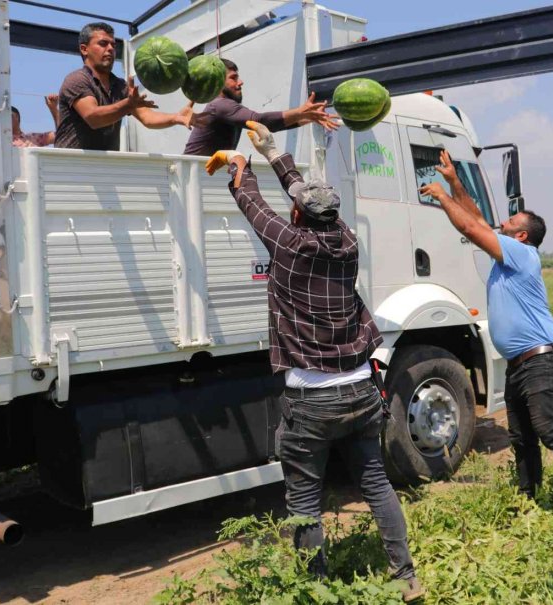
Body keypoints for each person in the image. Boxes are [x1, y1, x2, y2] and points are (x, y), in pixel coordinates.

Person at [204, 122, 424, 602]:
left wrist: (242, 164)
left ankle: (316, 589)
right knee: (375, 483)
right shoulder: (347, 242)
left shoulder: (289, 244)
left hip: (311, 398)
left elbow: (251, 203)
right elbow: (304, 200)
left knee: (304, 499)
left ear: (298, 216)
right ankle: (405, 577)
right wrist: (274, 153)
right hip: (362, 391)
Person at [420, 151, 553, 516]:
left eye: (510, 222)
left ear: (521, 235)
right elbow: (477, 220)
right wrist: (456, 181)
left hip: (543, 360)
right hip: (521, 364)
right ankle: (528, 500)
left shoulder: (521, 254)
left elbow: (472, 228)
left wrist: (441, 196)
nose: (501, 223)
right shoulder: (510, 252)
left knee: (549, 428)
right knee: (522, 438)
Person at [55, 22, 193, 151]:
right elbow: (93, 117)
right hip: (69, 166)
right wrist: (128, 104)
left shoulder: (120, 86)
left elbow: (147, 117)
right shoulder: (77, 80)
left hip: (103, 168)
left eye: (113, 45)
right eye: (103, 44)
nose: (110, 49)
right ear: (84, 49)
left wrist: (176, 117)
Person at [183, 58, 337, 157]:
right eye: (233, 78)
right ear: (218, 82)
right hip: (192, 177)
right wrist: (300, 112)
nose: (240, 82)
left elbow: (267, 126)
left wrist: (307, 117)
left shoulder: (223, 106)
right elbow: (260, 121)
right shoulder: (220, 105)